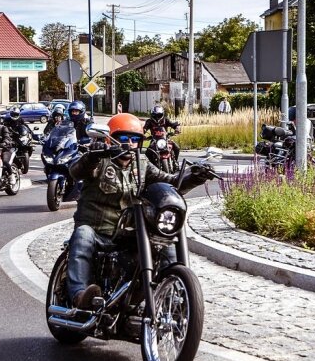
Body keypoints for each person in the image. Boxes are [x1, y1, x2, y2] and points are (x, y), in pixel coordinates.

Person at [66, 113, 214, 309]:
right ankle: (79, 295)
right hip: (97, 230)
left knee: (165, 243)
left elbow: (169, 183)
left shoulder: (142, 164)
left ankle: (175, 295)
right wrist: (92, 156)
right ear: (111, 139)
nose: (130, 143)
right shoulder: (99, 160)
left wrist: (195, 176)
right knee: (82, 235)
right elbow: (76, 171)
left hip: (130, 233)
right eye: (124, 139)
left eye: (135, 139)